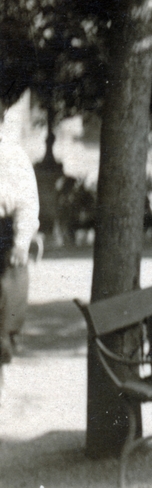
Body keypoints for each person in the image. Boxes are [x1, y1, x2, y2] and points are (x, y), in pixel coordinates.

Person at [0, 123, 39, 406]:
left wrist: (22, 242)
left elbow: (27, 202)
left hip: (3, 238)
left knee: (6, 310)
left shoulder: (12, 154)